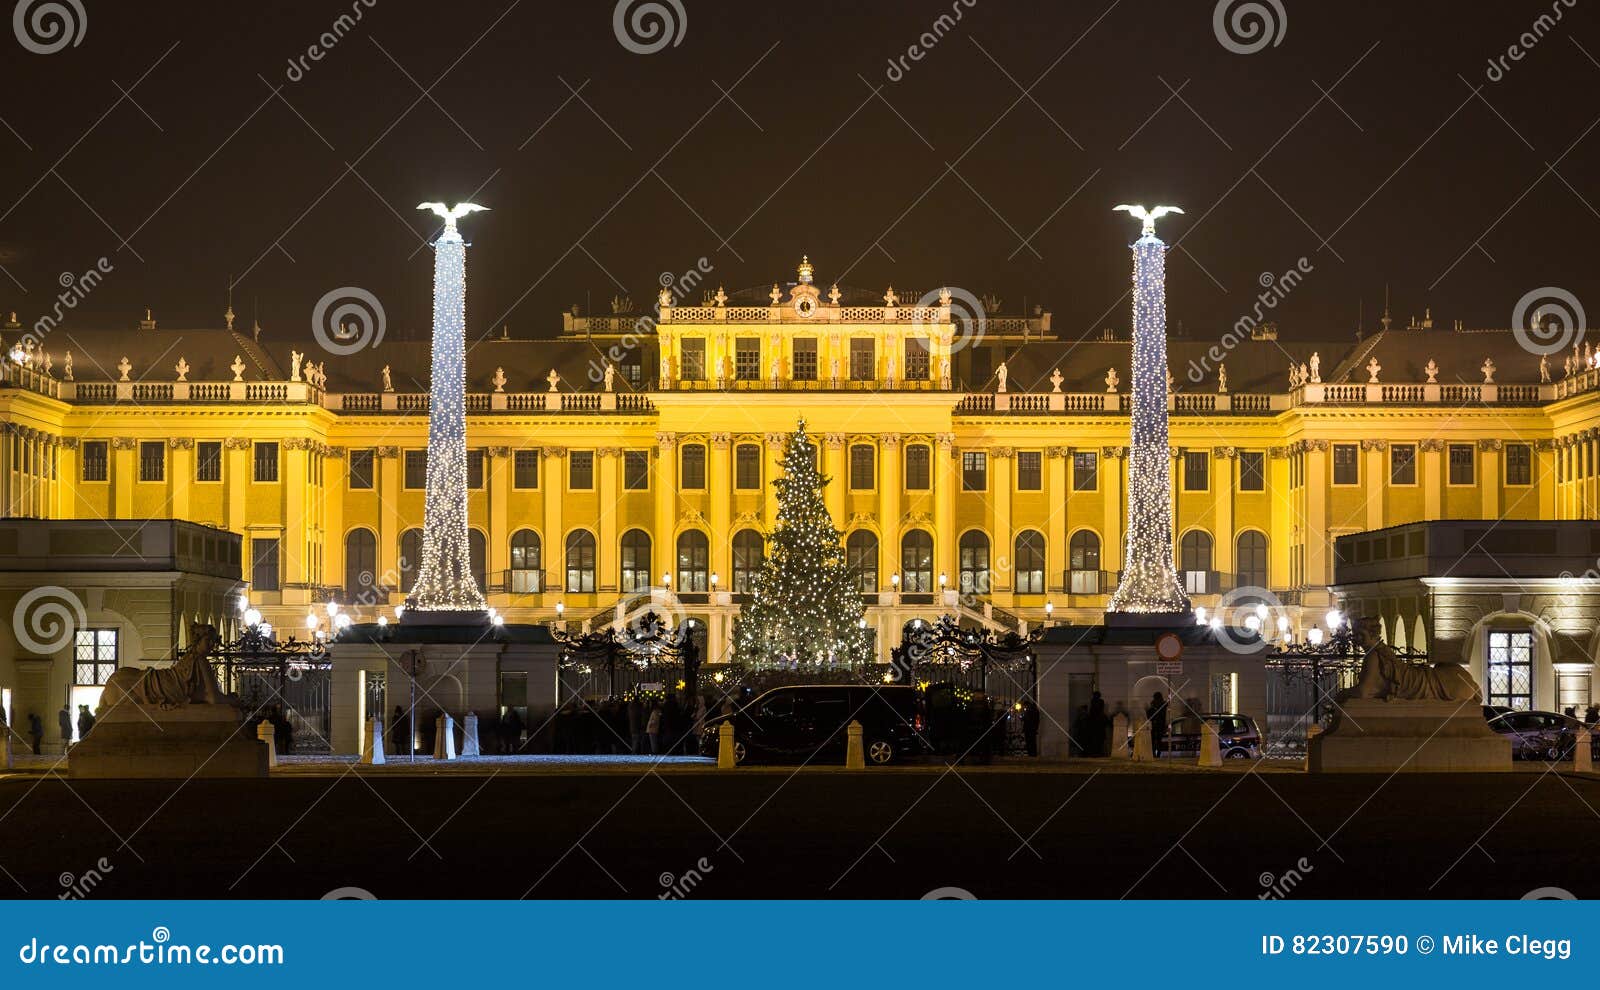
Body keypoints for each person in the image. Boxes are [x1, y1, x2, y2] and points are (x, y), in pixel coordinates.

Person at [1147, 692, 1168, 758]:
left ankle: (1154, 753)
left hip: (1155, 724)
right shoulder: (1163, 704)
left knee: (1154, 740)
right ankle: (1157, 753)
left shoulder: (1154, 704)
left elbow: (1150, 715)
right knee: (1158, 740)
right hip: (1160, 724)